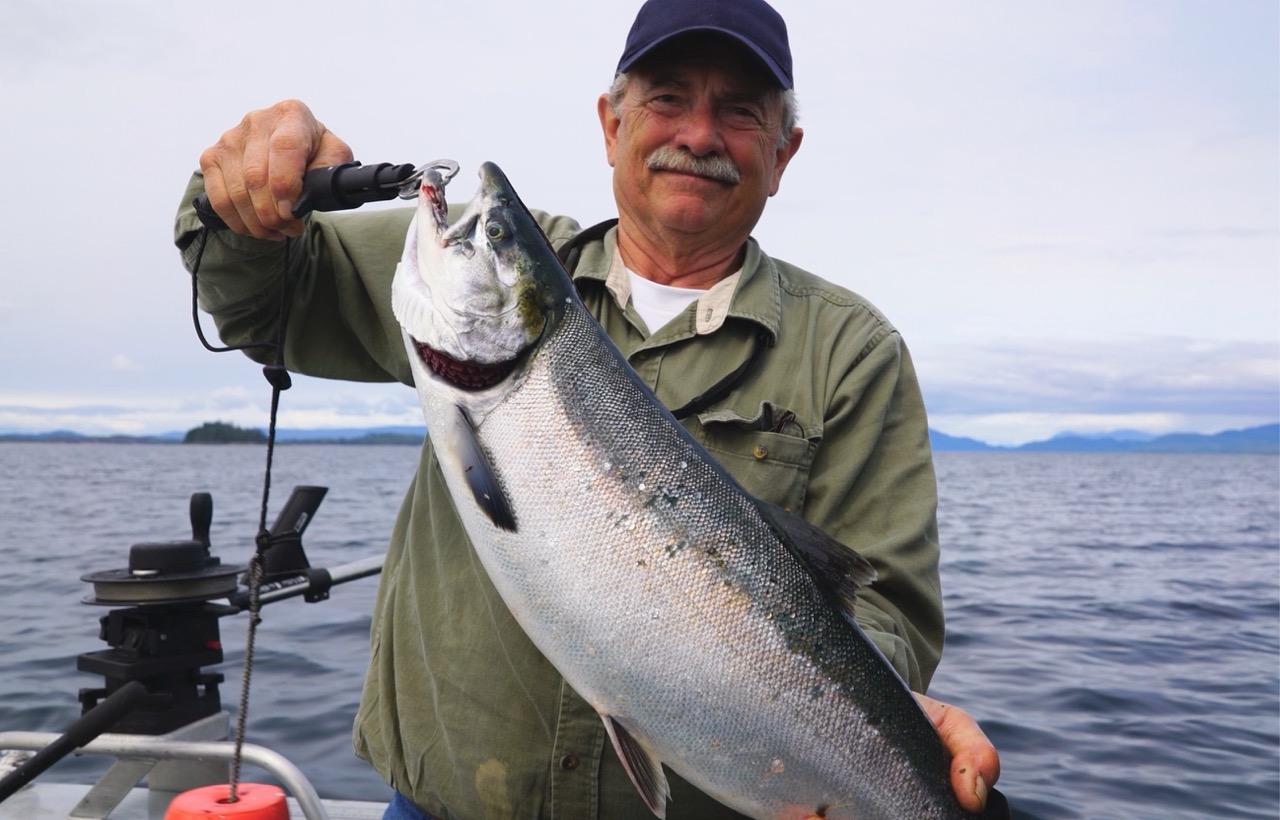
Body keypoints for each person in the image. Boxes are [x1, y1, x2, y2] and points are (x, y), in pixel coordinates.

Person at [175, 1, 1002, 817]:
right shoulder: (486, 261)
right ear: (611, 125)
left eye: (740, 112)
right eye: (668, 97)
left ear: (783, 154)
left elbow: (882, 605)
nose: (699, 135)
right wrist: (243, 196)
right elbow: (263, 296)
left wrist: (882, 725)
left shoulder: (850, 351)